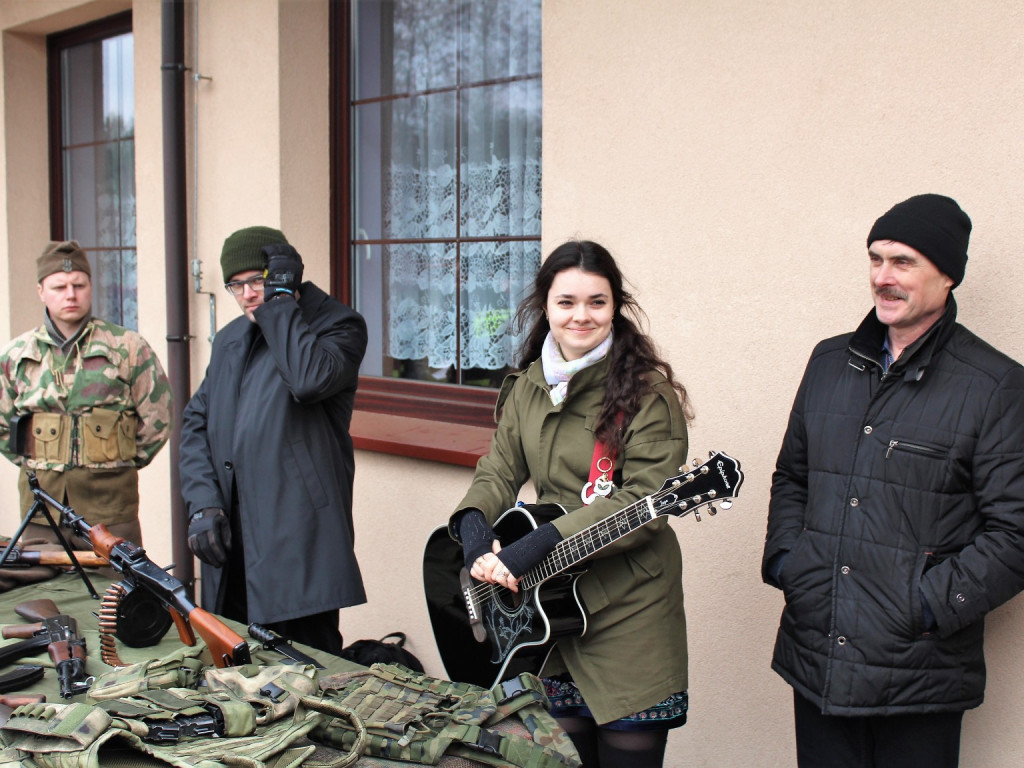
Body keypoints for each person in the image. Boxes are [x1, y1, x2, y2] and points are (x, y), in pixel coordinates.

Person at [763, 194, 1024, 768]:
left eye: (903, 262)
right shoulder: (829, 363)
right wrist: (791, 563)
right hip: (818, 657)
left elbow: (1016, 532)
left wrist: (927, 605)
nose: (883, 277)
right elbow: (793, 476)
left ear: (948, 275)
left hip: (920, 673)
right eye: (876, 259)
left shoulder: (995, 385)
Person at [447, 240, 692, 768]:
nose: (582, 316)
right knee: (563, 757)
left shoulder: (647, 394)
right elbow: (499, 469)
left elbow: (645, 498)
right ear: (545, 306)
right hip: (549, 608)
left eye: (597, 302)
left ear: (616, 306)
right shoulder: (528, 386)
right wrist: (474, 528)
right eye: (567, 302)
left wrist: (540, 542)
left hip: (630, 609)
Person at [179, 226, 367, 656]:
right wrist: (203, 502)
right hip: (231, 545)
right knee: (232, 678)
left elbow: (307, 380)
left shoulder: (338, 325)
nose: (248, 294)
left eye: (258, 281)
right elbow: (195, 422)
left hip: (296, 546)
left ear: (284, 277)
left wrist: (280, 304)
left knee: (305, 679)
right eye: (236, 285)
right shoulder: (229, 339)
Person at [0, 240, 172, 546]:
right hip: (42, 511)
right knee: (44, 590)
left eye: (79, 284)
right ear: (41, 291)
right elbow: (2, 426)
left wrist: (115, 464)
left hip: (111, 508)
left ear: (90, 286)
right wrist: (43, 464)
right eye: (59, 286)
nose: (70, 294)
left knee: (118, 591)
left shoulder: (128, 348)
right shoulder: (16, 355)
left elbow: (157, 418)